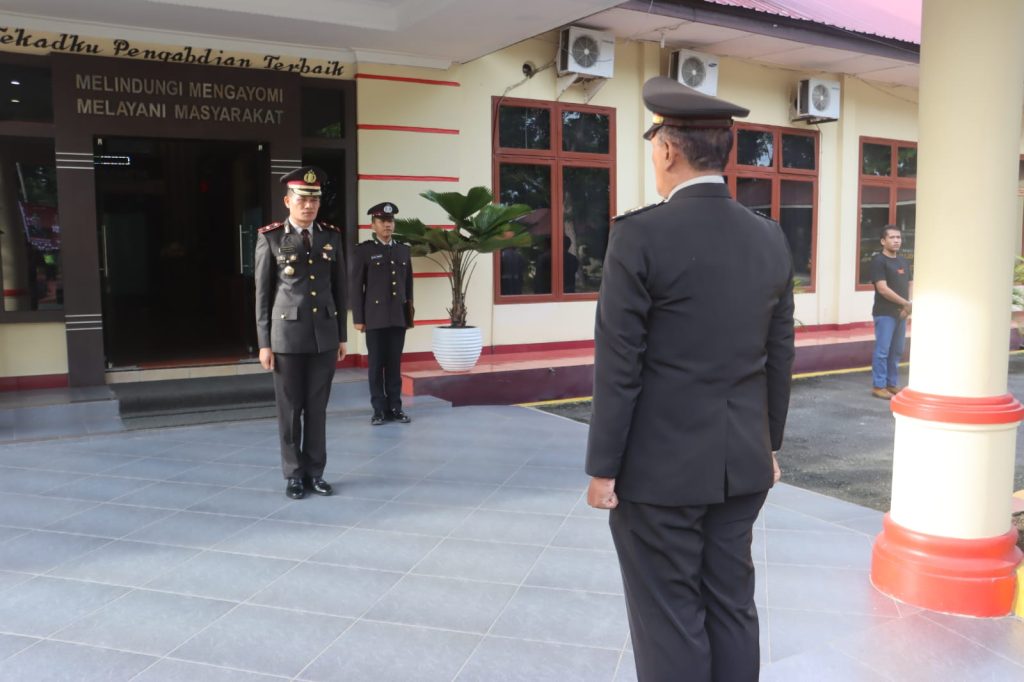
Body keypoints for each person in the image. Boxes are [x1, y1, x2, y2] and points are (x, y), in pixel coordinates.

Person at [585, 76, 795, 682]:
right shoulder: (769, 236)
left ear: (668, 150)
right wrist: (769, 445)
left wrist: (603, 468)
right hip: (741, 466)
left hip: (660, 473)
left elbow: (619, 364)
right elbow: (778, 354)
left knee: (670, 615)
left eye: (654, 145)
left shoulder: (639, 235)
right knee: (731, 605)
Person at [254, 166, 347, 500]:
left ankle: (316, 472)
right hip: (286, 338)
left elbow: (340, 287)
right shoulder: (272, 237)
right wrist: (264, 343)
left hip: (324, 334)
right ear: (288, 201)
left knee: (317, 408)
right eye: (302, 199)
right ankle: (294, 474)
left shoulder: (331, 236)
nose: (309, 205)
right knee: (291, 409)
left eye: (314, 199)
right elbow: (263, 294)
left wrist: (341, 336)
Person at [351, 202, 414, 426]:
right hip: (375, 317)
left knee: (394, 364)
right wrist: (358, 318)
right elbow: (357, 286)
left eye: (390, 221)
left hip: (397, 316)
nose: (387, 225)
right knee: (376, 365)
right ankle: (378, 409)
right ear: (373, 224)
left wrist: (409, 315)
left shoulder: (402, 250)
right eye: (382, 221)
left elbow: (408, 286)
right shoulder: (364, 250)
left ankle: (395, 408)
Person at [870, 224, 911, 399]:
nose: (896, 240)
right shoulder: (879, 261)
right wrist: (906, 304)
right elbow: (882, 289)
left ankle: (891, 383)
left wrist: (907, 307)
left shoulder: (903, 261)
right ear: (883, 241)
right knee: (882, 350)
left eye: (898, 237)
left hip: (901, 313)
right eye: (892, 237)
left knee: (897, 350)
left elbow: (910, 283)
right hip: (885, 313)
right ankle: (879, 386)